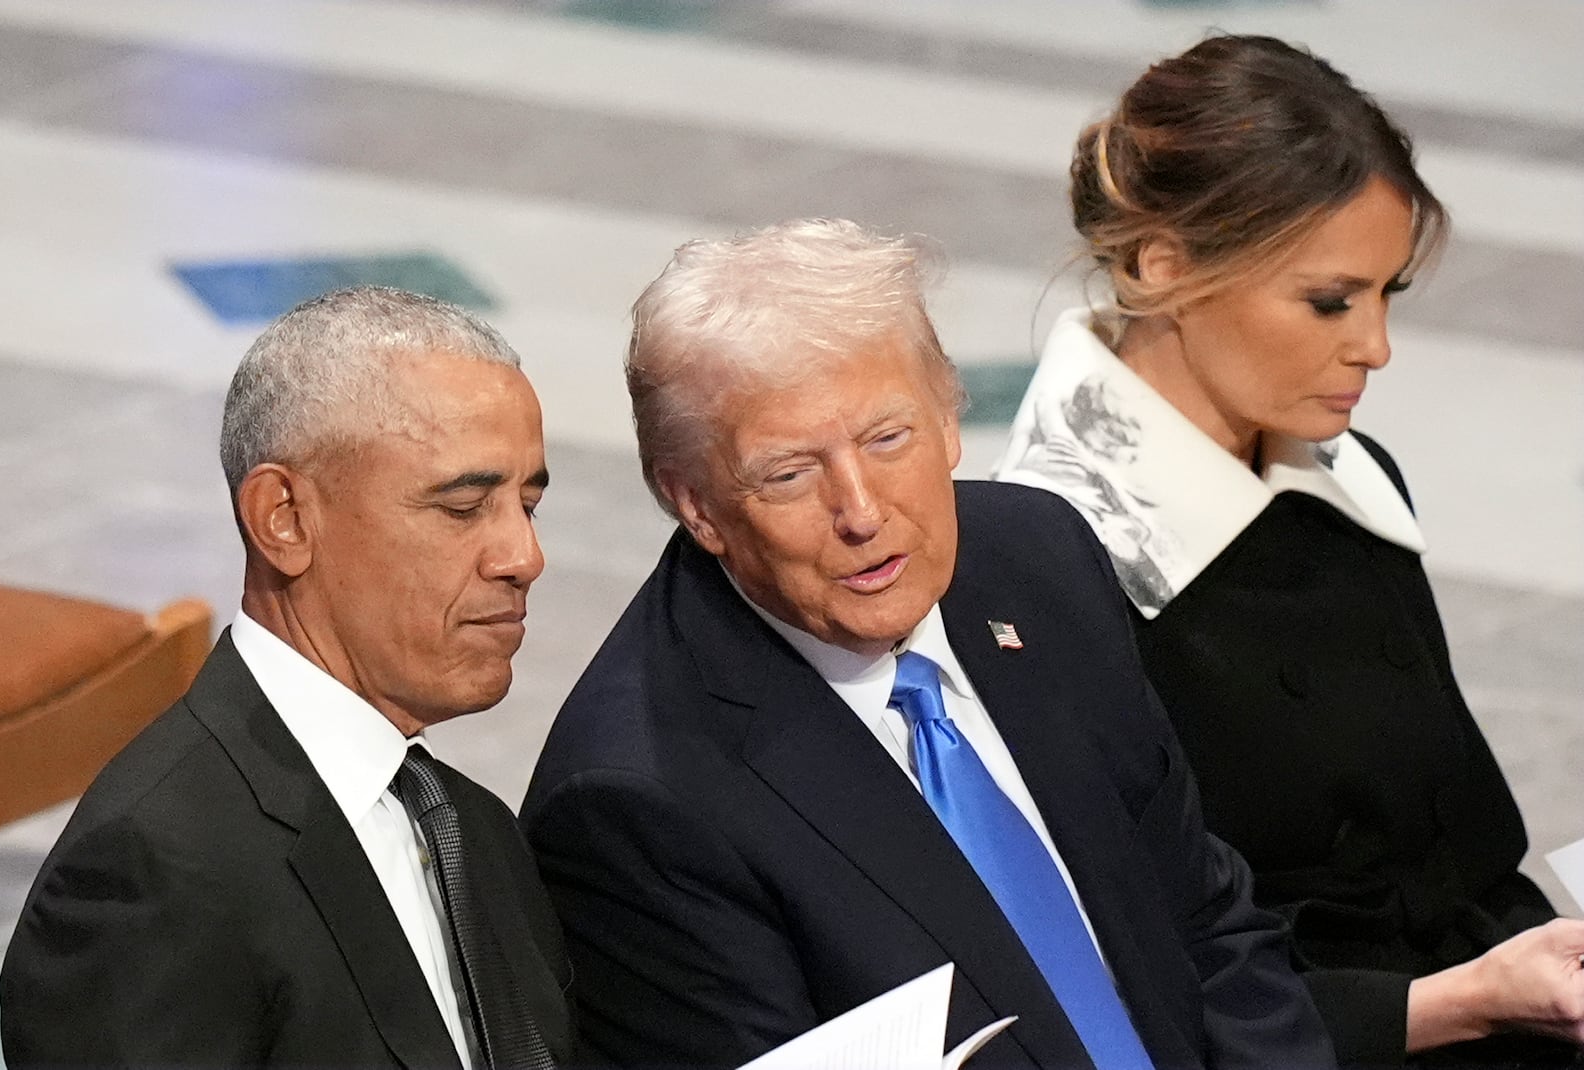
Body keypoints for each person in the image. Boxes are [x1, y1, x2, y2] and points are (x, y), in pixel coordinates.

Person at [521, 218, 1335, 1069]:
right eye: (791, 473)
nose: (862, 513)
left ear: (949, 420)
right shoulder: (637, 802)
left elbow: (1203, 920)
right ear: (694, 503)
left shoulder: (1039, 561)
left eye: (888, 440)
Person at [993, 34, 1584, 1068]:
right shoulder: (1049, 569)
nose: (1374, 346)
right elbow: (1138, 976)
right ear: (1161, 264)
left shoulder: (1354, 481)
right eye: (1329, 300)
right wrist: (1470, 999)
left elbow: (1460, 862)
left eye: (1386, 293)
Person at [0, 287, 574, 1069]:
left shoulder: (473, 828)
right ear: (285, 519)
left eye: (527, 504)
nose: (522, 557)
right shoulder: (154, 872)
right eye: (464, 506)